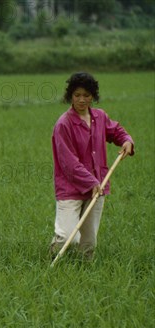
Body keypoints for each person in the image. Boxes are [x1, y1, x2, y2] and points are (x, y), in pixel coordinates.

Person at [50, 72, 134, 259]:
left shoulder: (100, 117)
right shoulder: (64, 124)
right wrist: (91, 182)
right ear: (70, 96)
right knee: (67, 238)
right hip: (71, 188)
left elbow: (116, 131)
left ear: (93, 96)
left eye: (86, 95)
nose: (82, 100)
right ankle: (53, 254)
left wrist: (126, 140)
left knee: (88, 242)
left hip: (97, 186)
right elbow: (68, 162)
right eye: (77, 95)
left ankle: (84, 272)